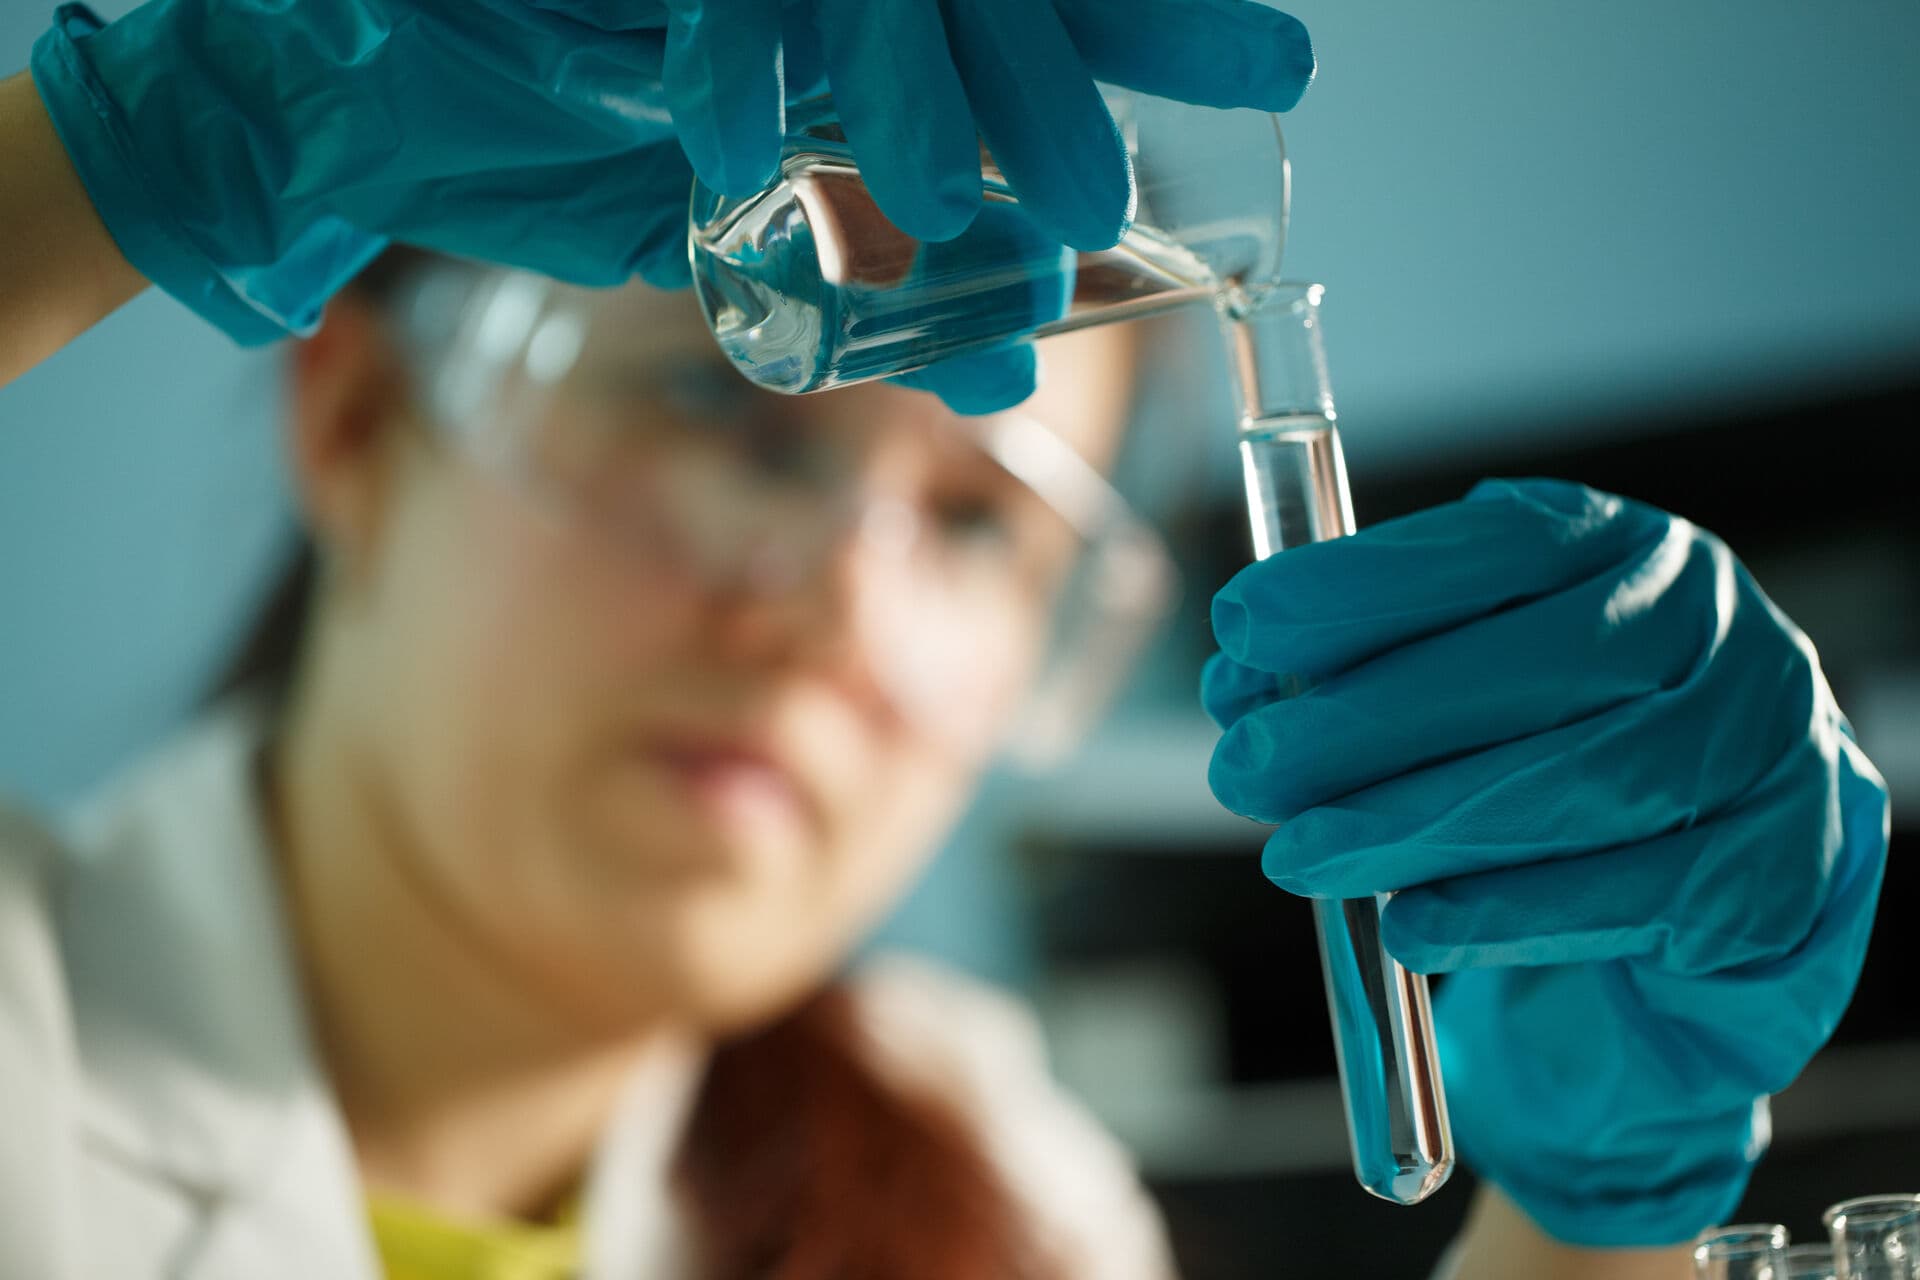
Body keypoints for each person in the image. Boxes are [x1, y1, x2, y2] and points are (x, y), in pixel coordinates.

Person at [0, 2, 1890, 1278]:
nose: (837, 604)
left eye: (980, 523)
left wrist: (1589, 1222)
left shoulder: (999, 1191)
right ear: (351, 422)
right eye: (729, 415)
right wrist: (127, 147)